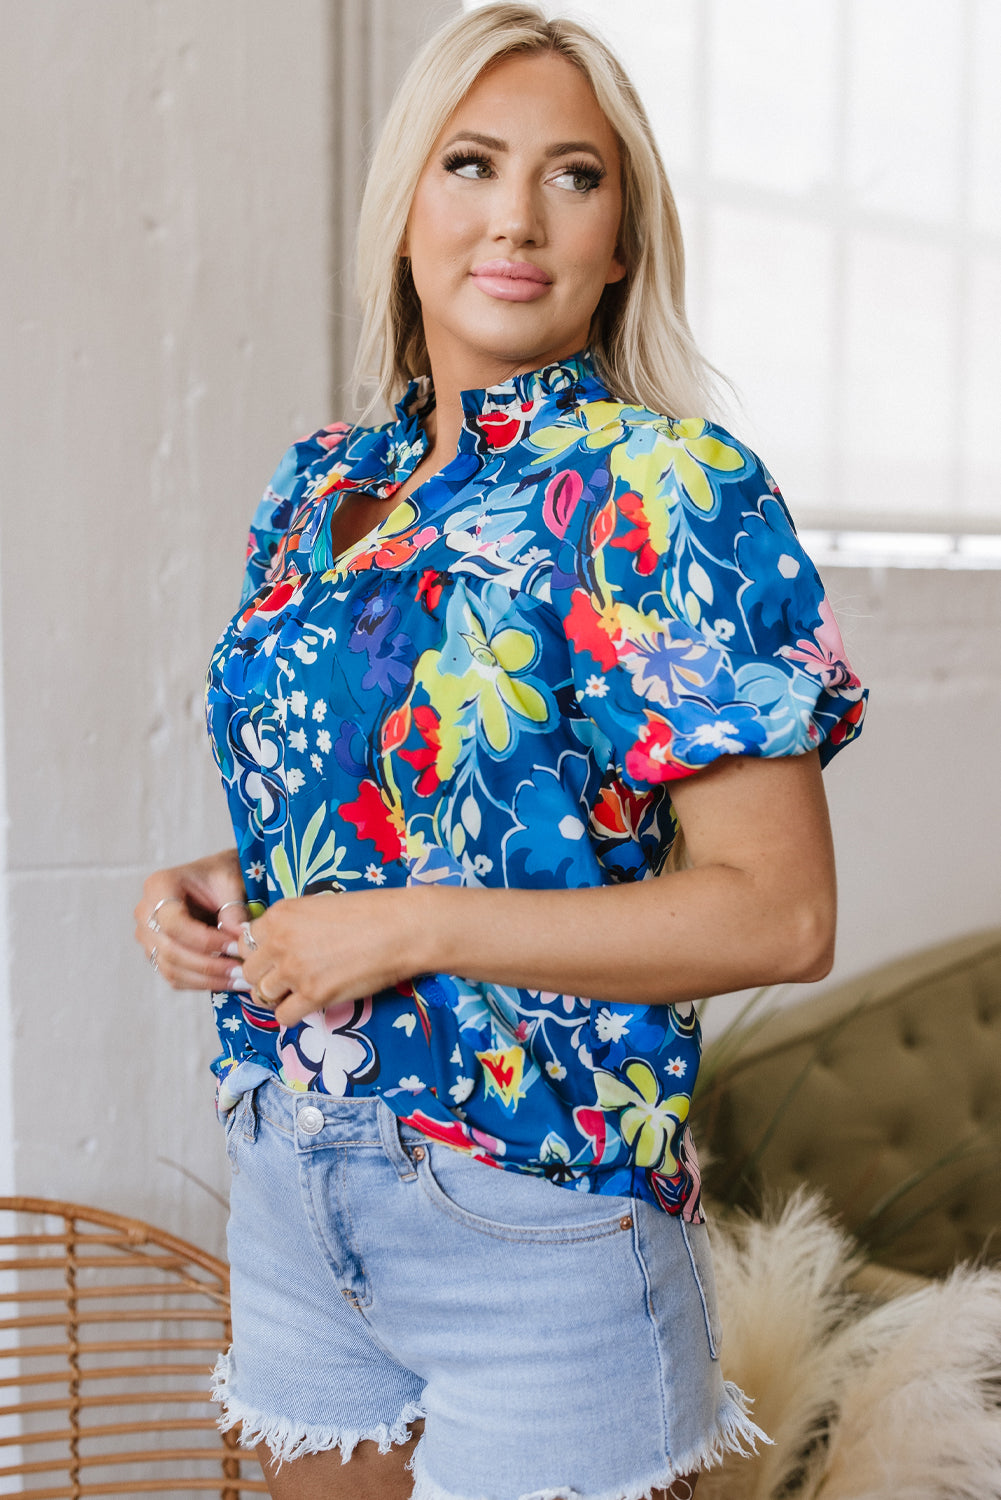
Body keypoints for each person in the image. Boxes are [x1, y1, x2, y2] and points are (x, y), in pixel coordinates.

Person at [135, 6, 865, 1499]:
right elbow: (409, 811)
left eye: (572, 176)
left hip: (538, 1212)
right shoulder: (321, 486)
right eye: (470, 164)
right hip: (291, 1173)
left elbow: (781, 916)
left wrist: (403, 928)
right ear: (405, 205)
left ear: (622, 240)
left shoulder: (667, 487)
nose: (517, 217)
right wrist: (227, 883)